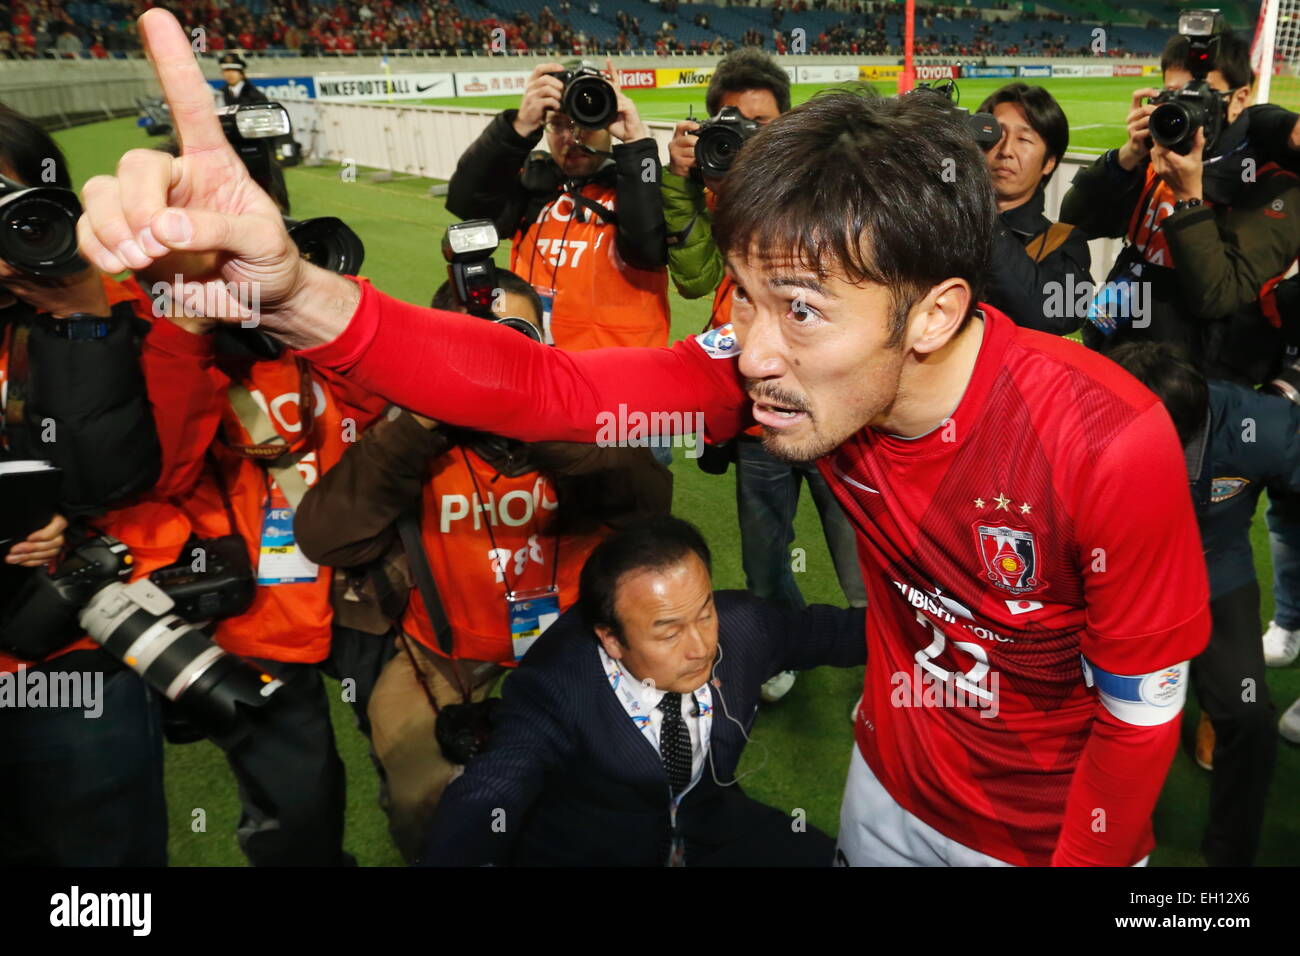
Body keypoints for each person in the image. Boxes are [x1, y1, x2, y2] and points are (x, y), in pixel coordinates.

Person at [79, 9, 1213, 866]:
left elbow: (1136, 720)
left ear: (932, 314)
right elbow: (544, 384)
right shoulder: (786, 375)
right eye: (746, 297)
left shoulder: (1101, 444)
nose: (748, 348)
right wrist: (292, 294)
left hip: (1046, 830)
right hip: (885, 783)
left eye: (800, 309)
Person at [293, 271, 672, 862]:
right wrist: (424, 415)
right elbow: (325, 539)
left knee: (617, 793)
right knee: (422, 804)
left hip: (576, 645)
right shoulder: (410, 432)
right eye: (472, 345)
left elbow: (649, 509)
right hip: (446, 655)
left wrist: (542, 413)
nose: (495, 360)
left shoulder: (581, 416)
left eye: (513, 341)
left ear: (544, 346)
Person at [419, 516, 865, 866]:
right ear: (611, 639)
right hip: (593, 855)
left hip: (710, 827)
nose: (701, 648)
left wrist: (932, 625)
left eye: (704, 614)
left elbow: (842, 633)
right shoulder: (555, 685)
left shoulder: (745, 626)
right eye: (668, 633)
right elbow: (494, 788)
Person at [662, 50, 866, 705]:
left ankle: (891, 661)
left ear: (787, 124)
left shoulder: (821, 185)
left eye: (763, 124)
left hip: (835, 412)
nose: (749, 137)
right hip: (758, 421)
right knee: (765, 557)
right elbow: (693, 278)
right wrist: (680, 181)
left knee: (864, 554)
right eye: (735, 122)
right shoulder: (714, 197)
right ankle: (782, 648)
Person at [0, 103, 167, 865]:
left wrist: (82, 321)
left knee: (101, 882)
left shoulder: (105, 310)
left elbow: (110, 484)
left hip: (61, 657)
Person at [1107, 341, 1283, 866]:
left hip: (1213, 570)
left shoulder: (1262, 426)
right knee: (1073, 704)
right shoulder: (1082, 411)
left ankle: (1229, 861)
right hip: (1113, 572)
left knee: (1248, 716)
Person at [1059, 28, 1300, 388]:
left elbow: (1219, 295)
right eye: (1174, 95)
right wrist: (1124, 160)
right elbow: (1076, 222)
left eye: (1201, 98)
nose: (1186, 109)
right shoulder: (1158, 153)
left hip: (1195, 380)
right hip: (1120, 341)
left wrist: (1189, 197)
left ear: (1239, 100)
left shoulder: (1272, 183)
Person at [444, 59, 668, 352]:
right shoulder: (535, 185)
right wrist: (519, 127)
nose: (570, 138)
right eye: (557, 124)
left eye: (585, 122)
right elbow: (467, 203)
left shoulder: (639, 184)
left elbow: (648, 247)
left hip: (619, 376)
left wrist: (636, 142)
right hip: (538, 367)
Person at [974, 82, 1091, 334]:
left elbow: (1055, 316)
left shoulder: (1064, 242)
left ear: (1049, 162)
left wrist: (980, 217)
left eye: (1024, 139)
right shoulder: (942, 220)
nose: (1006, 151)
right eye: (995, 134)